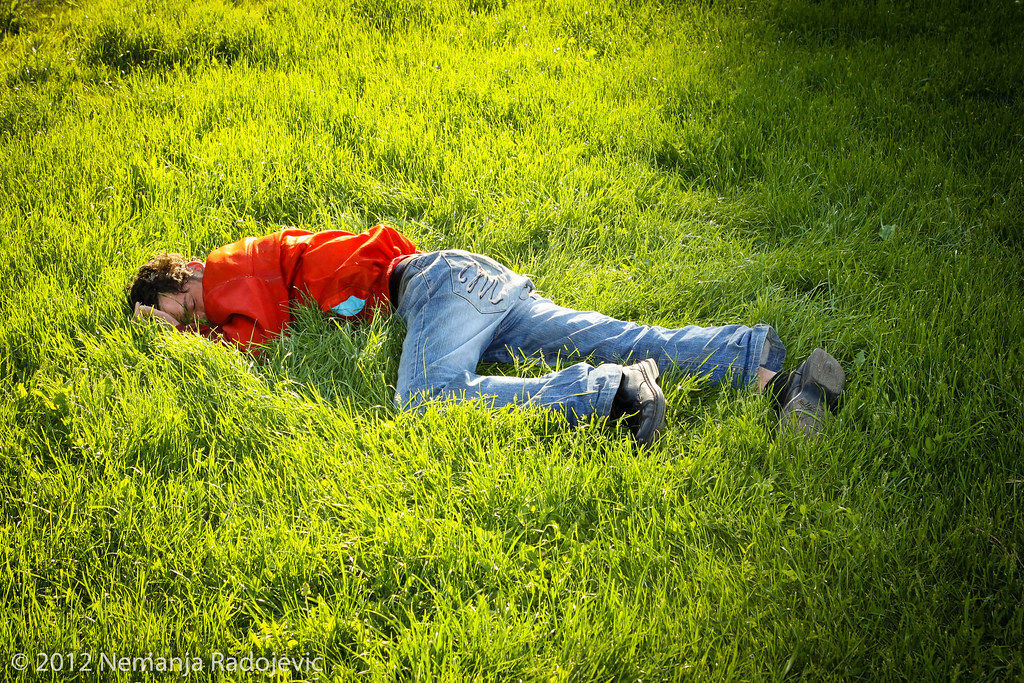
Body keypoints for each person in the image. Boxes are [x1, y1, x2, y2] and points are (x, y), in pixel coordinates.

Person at [129, 224, 845, 446]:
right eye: (185, 319)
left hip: (438, 286)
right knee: (605, 333)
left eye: (184, 304)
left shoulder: (229, 267)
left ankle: (617, 394)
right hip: (476, 284)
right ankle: (774, 374)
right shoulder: (242, 278)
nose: (198, 319)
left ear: (188, 271)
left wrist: (179, 338)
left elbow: (261, 333)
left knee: (426, 398)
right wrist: (175, 331)